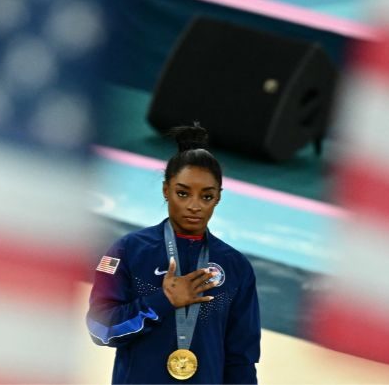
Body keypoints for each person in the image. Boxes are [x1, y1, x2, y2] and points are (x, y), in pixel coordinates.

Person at [86, 123, 261, 383]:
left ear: (218, 198)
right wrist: (162, 301)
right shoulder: (129, 251)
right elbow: (100, 329)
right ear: (166, 190)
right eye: (182, 193)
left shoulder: (235, 267)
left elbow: (241, 358)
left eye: (206, 196)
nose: (194, 206)